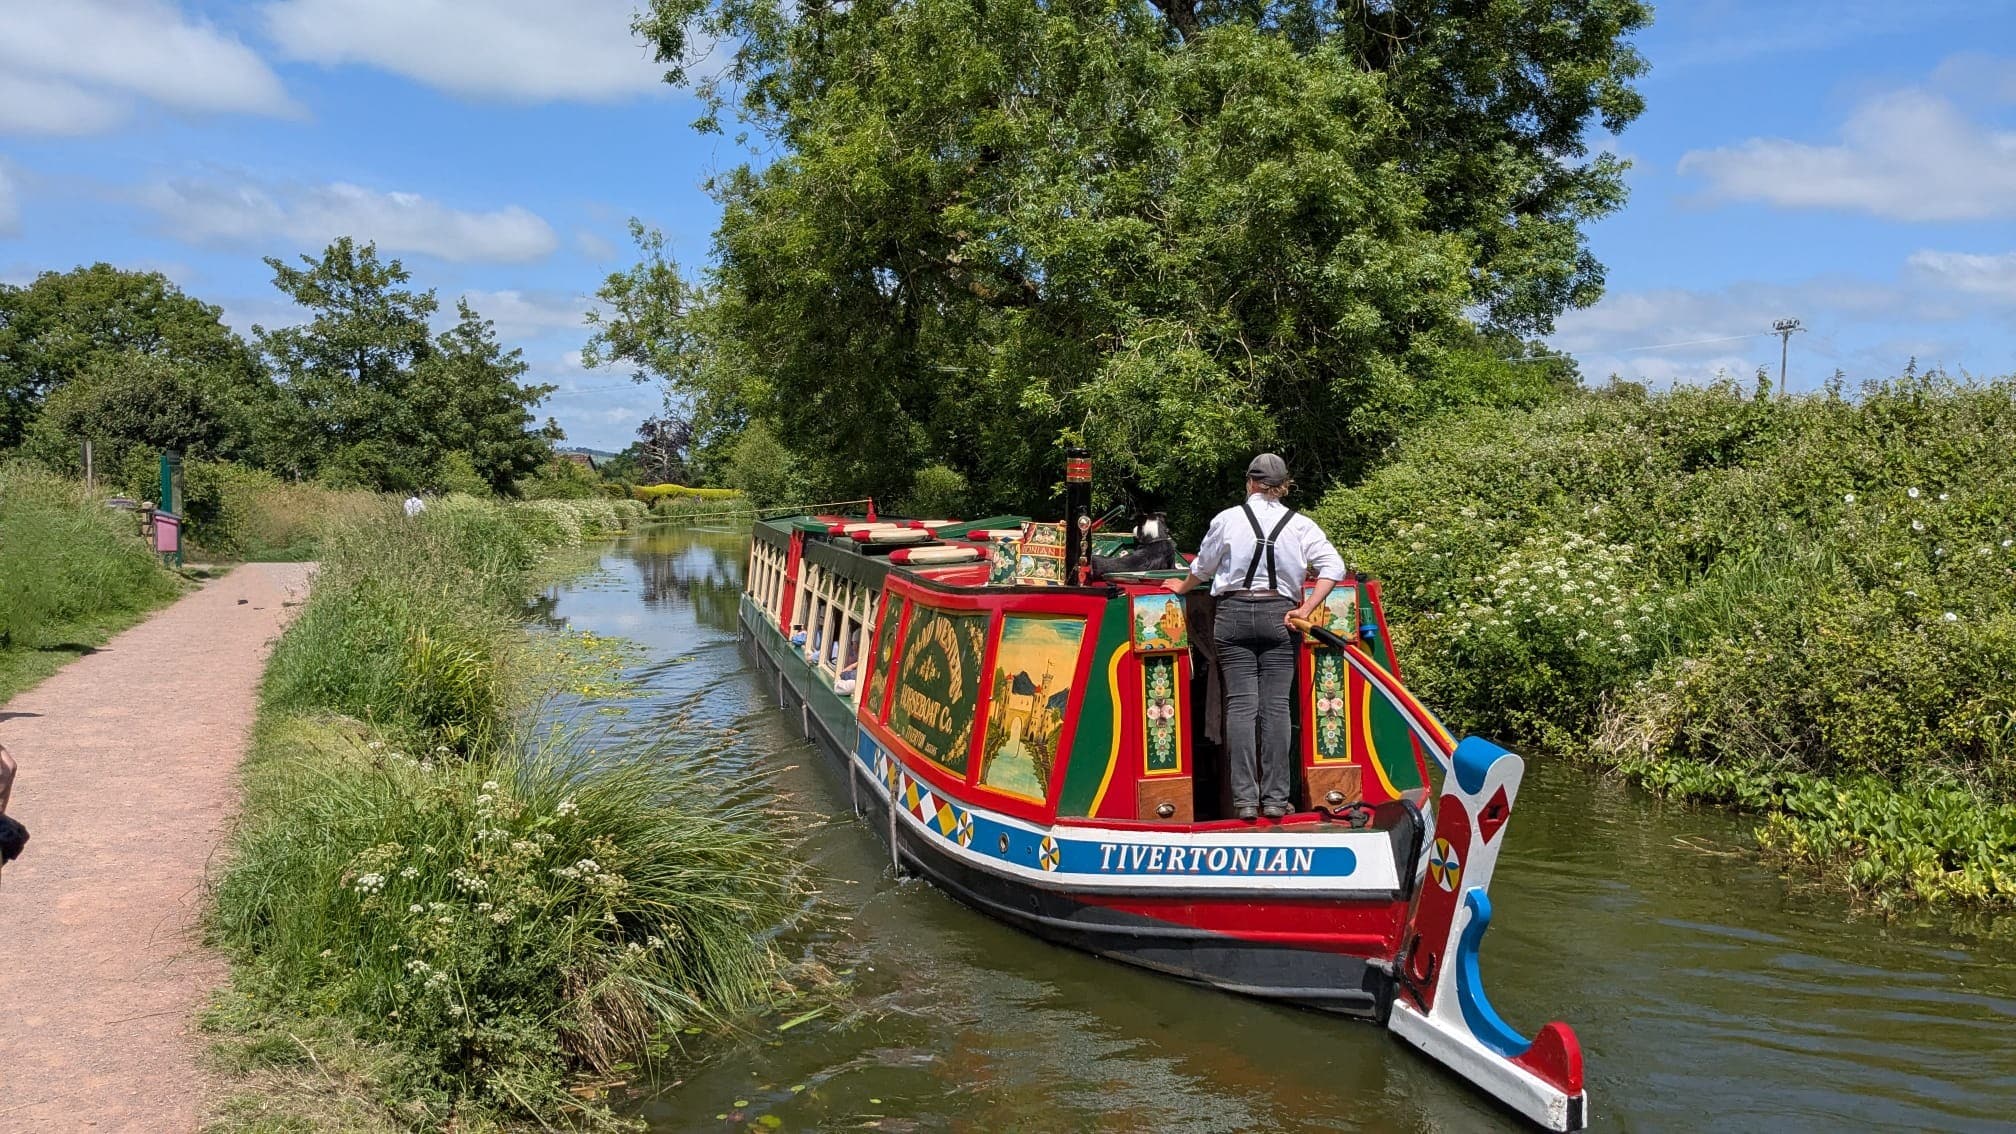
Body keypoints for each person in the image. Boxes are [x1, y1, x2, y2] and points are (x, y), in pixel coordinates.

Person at [1164, 454, 1344, 820]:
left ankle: (1245, 800)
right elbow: (1334, 567)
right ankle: (1275, 800)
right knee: (1276, 708)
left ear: (1250, 483)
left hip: (1232, 617)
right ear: (1284, 486)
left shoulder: (1228, 519)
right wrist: (1306, 609)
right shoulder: (1300, 525)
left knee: (1241, 707)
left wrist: (1180, 587)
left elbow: (1203, 568)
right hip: (1281, 617)